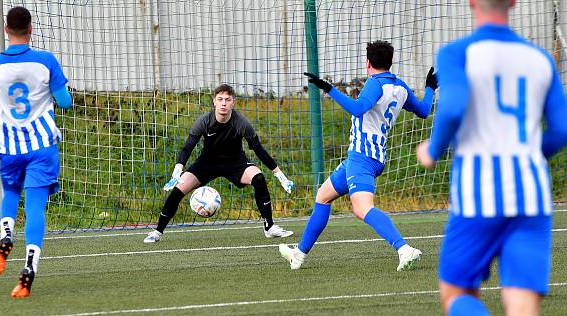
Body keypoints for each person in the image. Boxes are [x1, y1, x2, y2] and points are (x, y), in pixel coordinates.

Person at [416, 0, 567, 315]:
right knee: (522, 304)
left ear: (472, 2)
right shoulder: (540, 58)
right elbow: (564, 130)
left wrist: (433, 149)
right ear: (514, 2)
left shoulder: (457, 53)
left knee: (457, 292)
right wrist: (527, 153)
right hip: (532, 196)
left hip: (480, 194)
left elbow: (451, 106)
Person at [279, 41, 436, 271]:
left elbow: (358, 108)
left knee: (362, 208)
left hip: (362, 157)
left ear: (368, 63)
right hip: (373, 157)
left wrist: (329, 89)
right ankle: (299, 255)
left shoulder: (375, 84)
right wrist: (431, 87)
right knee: (323, 195)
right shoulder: (400, 86)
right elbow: (424, 110)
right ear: (390, 62)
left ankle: (404, 249)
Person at [0, 6, 73, 298]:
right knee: (35, 205)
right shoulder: (45, 61)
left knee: (10, 193)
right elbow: (65, 101)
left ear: (6, 30)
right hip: (41, 145)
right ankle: (29, 267)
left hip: (9, 146)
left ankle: (6, 234)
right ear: (31, 29)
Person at [143, 84, 295, 243]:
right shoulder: (204, 121)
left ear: (233, 103)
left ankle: (269, 227)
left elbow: (258, 149)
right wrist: (178, 169)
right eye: (220, 99)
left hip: (236, 163)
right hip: (207, 163)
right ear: (214, 102)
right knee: (178, 189)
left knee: (258, 178)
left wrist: (279, 174)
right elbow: (188, 147)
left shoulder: (241, 123)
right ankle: (157, 231)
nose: (224, 103)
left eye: (227, 100)